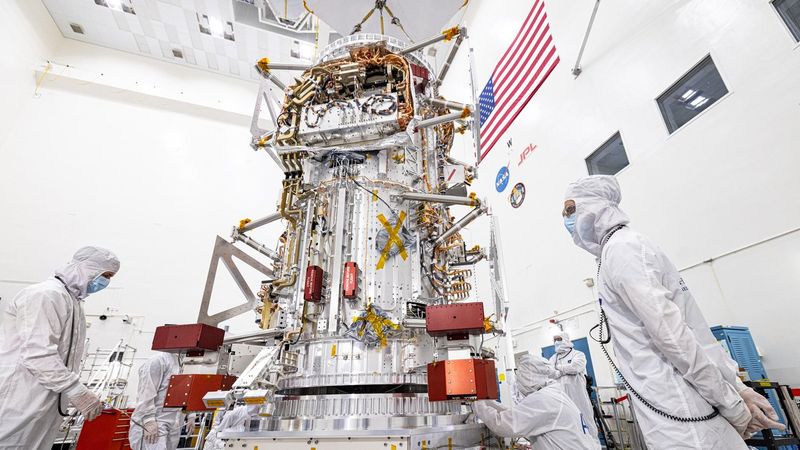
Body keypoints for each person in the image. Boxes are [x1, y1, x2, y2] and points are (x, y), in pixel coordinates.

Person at [563, 175, 784, 450]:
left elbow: (673, 337)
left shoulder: (622, 250)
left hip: (683, 418)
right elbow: (694, 330)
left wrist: (734, 403)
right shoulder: (620, 250)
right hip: (683, 413)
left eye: (571, 210)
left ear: (595, 206)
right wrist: (736, 389)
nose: (567, 220)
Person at [0, 246, 120, 450]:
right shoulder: (45, 295)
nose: (105, 283)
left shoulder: (73, 302)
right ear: (87, 268)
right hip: (20, 395)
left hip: (47, 400)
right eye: (104, 275)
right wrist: (75, 389)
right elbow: (38, 354)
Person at [473, 355, 600, 450]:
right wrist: (488, 403)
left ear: (528, 377)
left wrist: (477, 404)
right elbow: (518, 415)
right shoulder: (552, 393)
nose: (519, 383)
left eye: (520, 378)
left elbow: (503, 424)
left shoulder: (543, 399)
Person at [548, 331, 600, 443]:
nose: (556, 342)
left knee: (585, 419)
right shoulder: (553, 358)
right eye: (555, 340)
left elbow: (576, 367)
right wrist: (564, 370)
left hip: (578, 394)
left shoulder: (578, 354)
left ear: (565, 339)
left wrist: (558, 368)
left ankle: (593, 444)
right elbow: (550, 372)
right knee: (565, 421)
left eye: (559, 339)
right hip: (561, 396)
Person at [128, 351, 182, 450]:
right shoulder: (158, 360)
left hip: (171, 426)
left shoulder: (180, 363)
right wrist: (149, 420)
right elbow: (146, 393)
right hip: (154, 425)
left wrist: (190, 414)